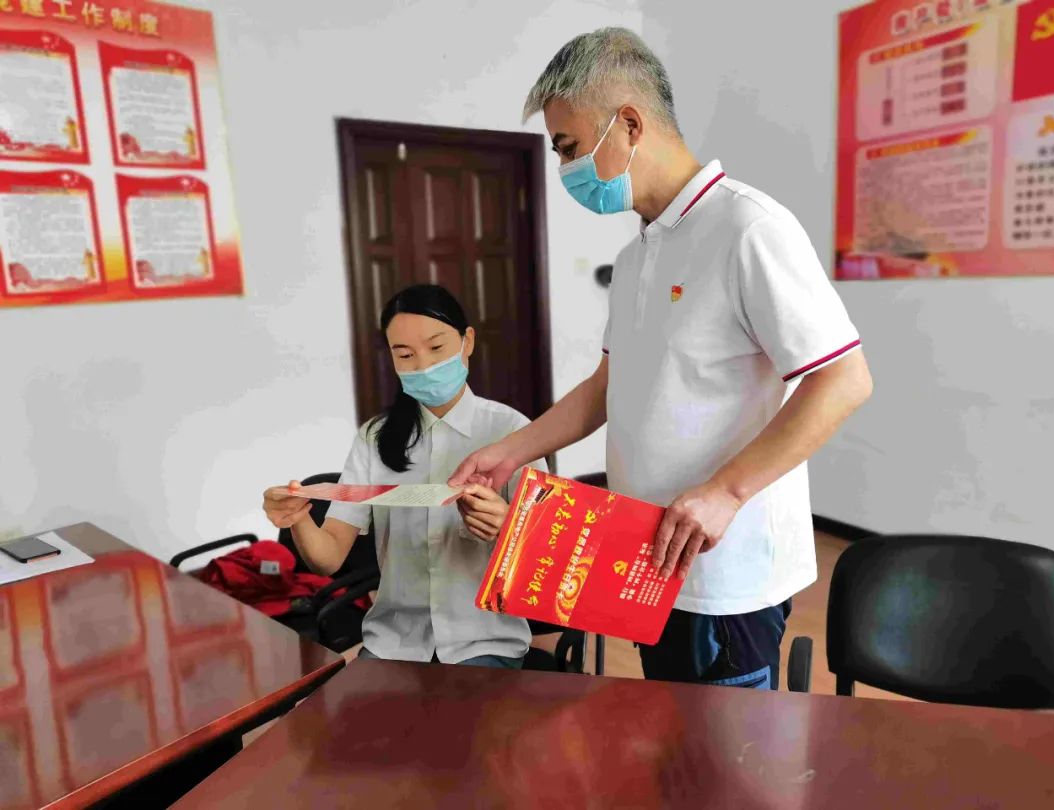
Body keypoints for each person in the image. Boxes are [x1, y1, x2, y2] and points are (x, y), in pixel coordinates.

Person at [450, 28, 873, 689]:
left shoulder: (748, 229)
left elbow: (844, 380)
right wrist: (512, 451)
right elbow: (607, 386)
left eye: (568, 147)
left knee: (729, 745)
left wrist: (726, 492)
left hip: (724, 571)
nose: (565, 169)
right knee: (672, 732)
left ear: (628, 124)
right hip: (644, 554)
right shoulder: (637, 255)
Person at [264, 284, 544, 669]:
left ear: (467, 342)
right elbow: (327, 559)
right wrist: (297, 517)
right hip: (394, 643)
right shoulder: (374, 438)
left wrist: (507, 528)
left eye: (436, 347)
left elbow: (546, 560)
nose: (423, 366)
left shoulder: (512, 432)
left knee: (452, 711)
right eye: (405, 354)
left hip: (485, 641)